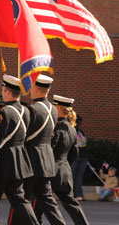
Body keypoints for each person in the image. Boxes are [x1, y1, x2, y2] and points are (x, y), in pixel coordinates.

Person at [9, 74, 66, 225]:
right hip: (46, 159)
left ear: (35, 87)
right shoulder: (53, 109)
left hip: (31, 160)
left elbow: (23, 134)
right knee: (47, 201)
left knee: (21, 199)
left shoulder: (32, 109)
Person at [0, 74, 40, 225]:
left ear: (8, 92)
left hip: (2, 163)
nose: (2, 93)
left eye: (3, 90)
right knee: (19, 200)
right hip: (18, 161)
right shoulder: (27, 111)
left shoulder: (3, 113)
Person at [34, 95, 89, 225]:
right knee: (70, 203)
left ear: (58, 108)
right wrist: (64, 165)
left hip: (50, 170)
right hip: (64, 170)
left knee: (40, 201)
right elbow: (74, 154)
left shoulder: (56, 129)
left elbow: (49, 150)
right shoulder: (72, 129)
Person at [71, 115, 88, 201]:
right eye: (78, 122)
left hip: (83, 157)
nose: (79, 124)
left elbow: (84, 144)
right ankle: (71, 194)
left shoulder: (81, 132)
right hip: (74, 157)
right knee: (72, 176)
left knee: (79, 177)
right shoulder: (71, 131)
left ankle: (78, 194)